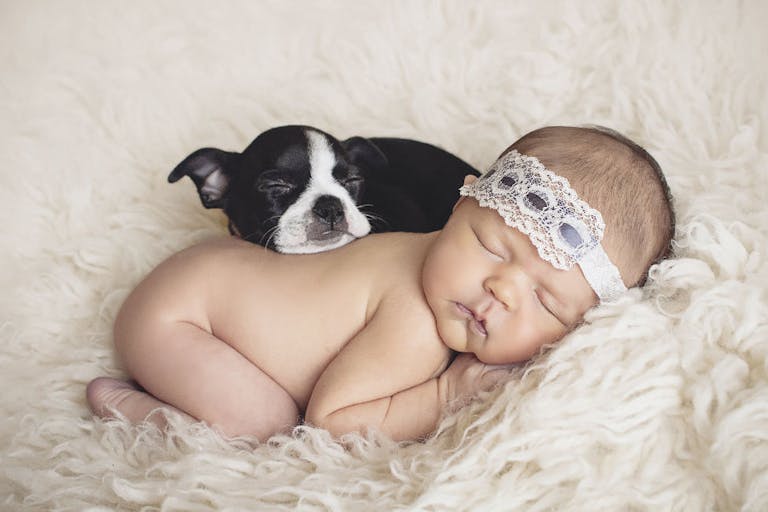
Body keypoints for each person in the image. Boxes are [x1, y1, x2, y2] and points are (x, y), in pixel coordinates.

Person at [87, 125, 675, 442]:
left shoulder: (435, 266)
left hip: (212, 274)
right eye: (490, 247)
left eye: (546, 301)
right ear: (456, 208)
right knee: (265, 424)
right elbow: (333, 421)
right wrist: (446, 397)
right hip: (180, 319)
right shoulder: (415, 323)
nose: (501, 289)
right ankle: (127, 404)